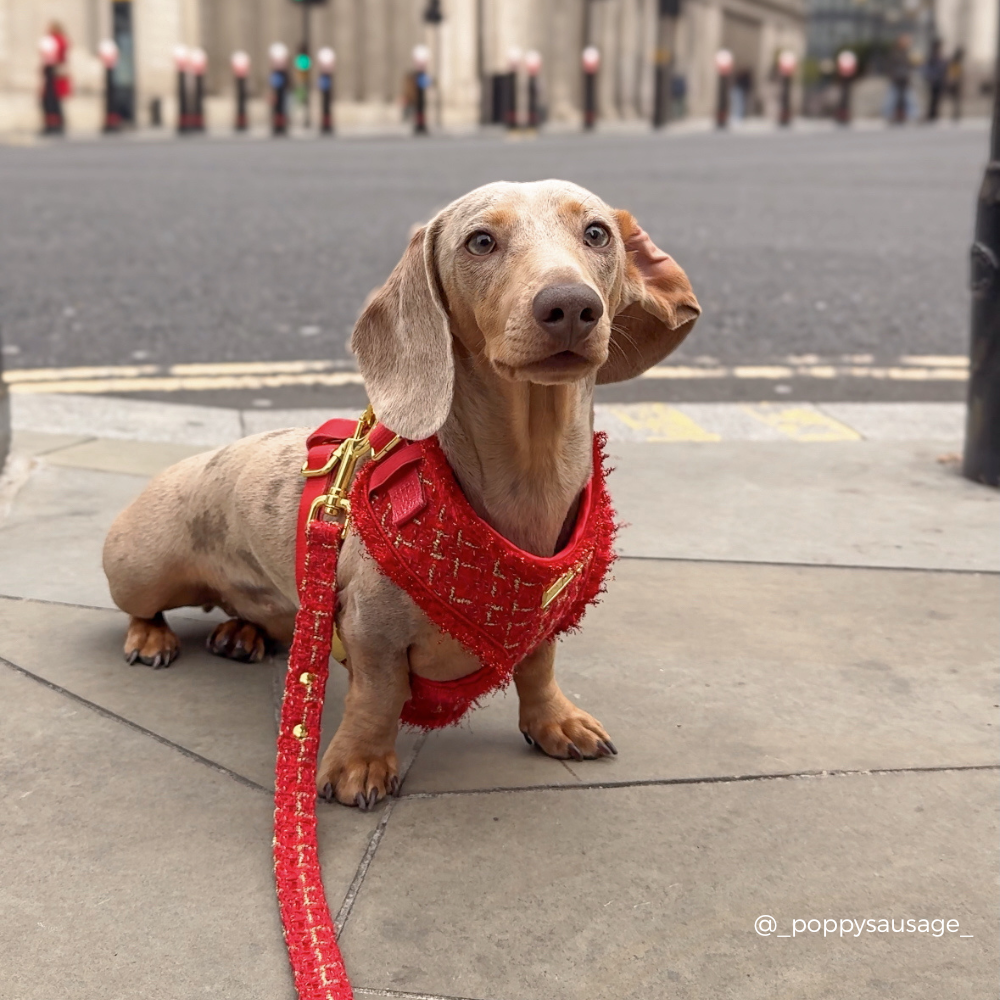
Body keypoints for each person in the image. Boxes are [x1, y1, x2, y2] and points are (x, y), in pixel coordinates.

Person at [886, 34, 912, 124]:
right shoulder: (895, 52)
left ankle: (903, 115)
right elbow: (891, 65)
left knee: (904, 98)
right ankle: (891, 115)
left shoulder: (906, 52)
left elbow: (908, 65)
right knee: (893, 97)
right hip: (897, 77)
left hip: (904, 78)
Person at [48, 21, 72, 102]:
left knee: (55, 89)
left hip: (57, 64)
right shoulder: (61, 39)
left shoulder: (58, 39)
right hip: (57, 64)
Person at [923, 38, 946, 121]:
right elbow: (928, 68)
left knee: (936, 98)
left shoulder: (939, 56)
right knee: (933, 98)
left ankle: (934, 114)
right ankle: (932, 114)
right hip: (934, 80)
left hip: (939, 80)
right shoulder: (933, 56)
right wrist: (930, 77)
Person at [946, 47, 965, 121]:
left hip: (956, 82)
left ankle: (956, 114)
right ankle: (956, 114)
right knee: (956, 99)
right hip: (955, 82)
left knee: (956, 100)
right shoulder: (955, 62)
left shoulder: (956, 62)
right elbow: (952, 73)